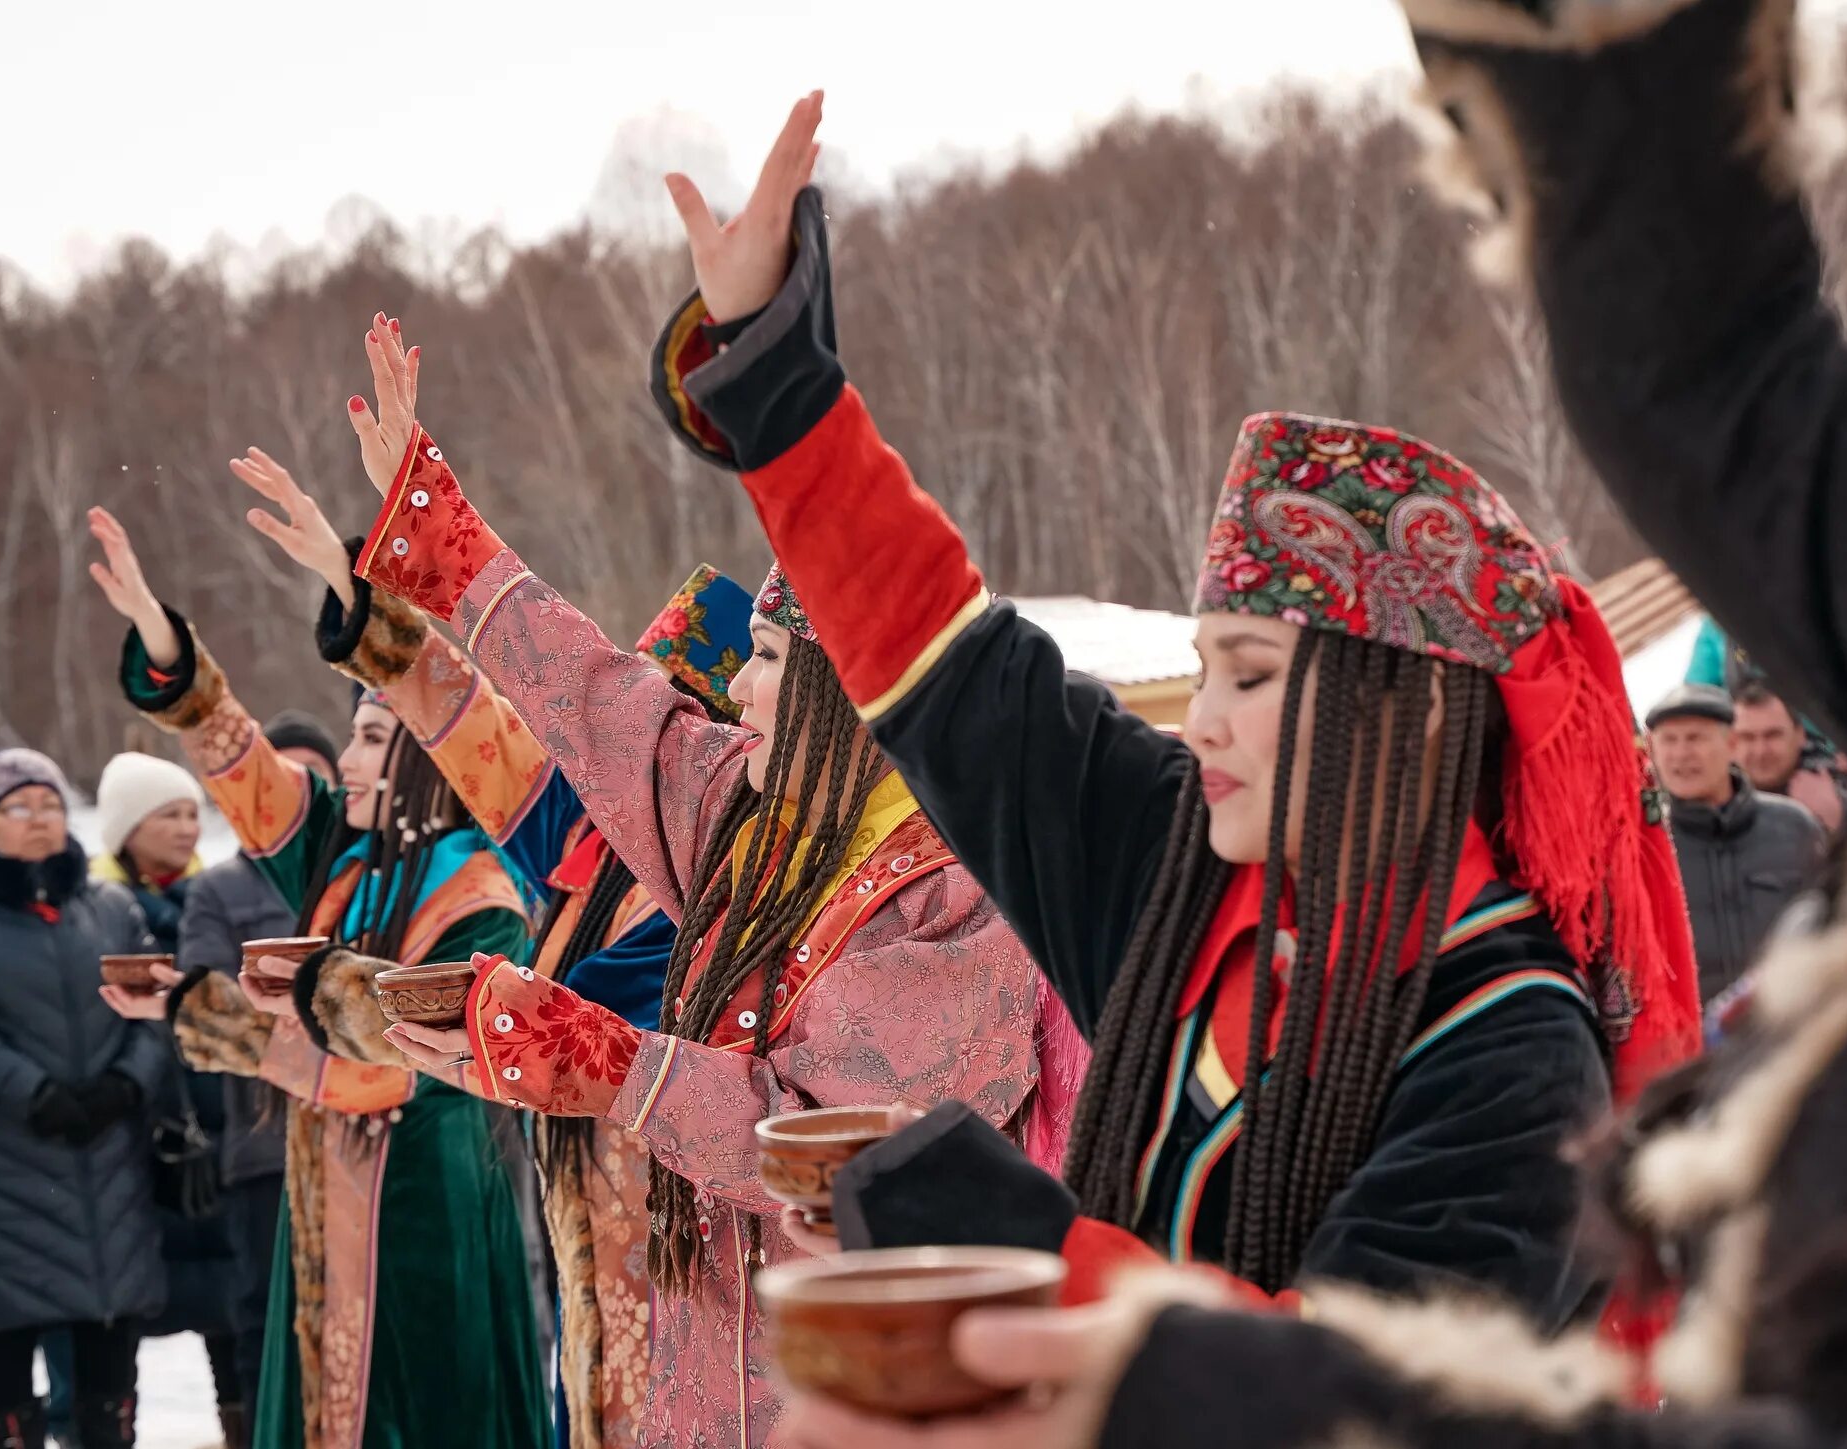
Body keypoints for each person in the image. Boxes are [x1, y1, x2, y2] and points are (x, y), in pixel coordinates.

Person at [779, 1, 1847, 1446]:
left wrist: (1051, 1290)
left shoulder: (1508, 1042)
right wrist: (783, 407)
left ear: (1392, 718)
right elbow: (1709, 371)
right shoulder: (1196, 889)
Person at [643, 93, 1696, 1331]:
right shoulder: (1181, 863)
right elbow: (955, 671)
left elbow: (1343, 1398)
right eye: (1202, 673)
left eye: (1248, 676)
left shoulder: (1513, 1049)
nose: (1201, 723)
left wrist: (1018, 1244)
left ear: (1399, 717)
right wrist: (780, 379)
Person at [331, 289, 1054, 1449]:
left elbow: (843, 1147)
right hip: (697, 1360)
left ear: (845, 692)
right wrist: (442, 533)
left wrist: (609, 1067)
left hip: (855, 1398)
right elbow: (598, 700)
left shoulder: (961, 893)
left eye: (766, 661)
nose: (739, 689)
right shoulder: (756, 824)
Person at [223, 434, 764, 1449]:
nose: (619, 748)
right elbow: (462, 712)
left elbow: (584, 1024)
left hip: (686, 1272)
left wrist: (350, 996)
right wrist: (358, 599)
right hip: (590, 1261)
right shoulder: (586, 839)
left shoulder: (723, 878)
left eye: (659, 721)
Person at [85, 508, 548, 1449]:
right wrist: (166, 640)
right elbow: (236, 759)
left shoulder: (480, 894)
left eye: (374, 742)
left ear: (422, 759)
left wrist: (207, 1010)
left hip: (426, 1210)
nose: (347, 760)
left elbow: (398, 1065)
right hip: (326, 1201)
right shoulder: (345, 856)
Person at [0, 750, 166, 1449]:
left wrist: (126, 1083)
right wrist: (34, 1092)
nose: (39, 819)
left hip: (106, 1153)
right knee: (10, 1326)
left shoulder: (109, 907)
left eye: (49, 803)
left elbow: (156, 1005)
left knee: (109, 1328)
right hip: (3, 1159)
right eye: (18, 807)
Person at [172, 714, 338, 1449]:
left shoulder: (362, 877)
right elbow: (208, 998)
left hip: (366, 1131)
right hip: (262, 1138)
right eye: (280, 778)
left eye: (312, 781)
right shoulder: (219, 888)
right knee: (266, 1317)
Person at [89, 752, 252, 1446]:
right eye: (169, 814)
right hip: (128, 1135)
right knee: (119, 1318)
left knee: (229, 1309)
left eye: (193, 811)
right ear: (127, 827)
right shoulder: (96, 909)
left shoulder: (210, 899)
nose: (189, 826)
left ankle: (238, 1427)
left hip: (214, 1125)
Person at [1644, 686, 1823, 1005]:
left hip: (1791, 1027)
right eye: (1669, 741)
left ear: (1731, 745)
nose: (1681, 754)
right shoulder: (1646, 848)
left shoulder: (1794, 827)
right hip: (1697, 1046)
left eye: (1695, 738)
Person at [1729, 683, 1847, 834]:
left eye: (1773, 735)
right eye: (1747, 738)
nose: (1761, 751)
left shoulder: (1842, 784)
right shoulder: (1710, 795)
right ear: (1729, 742)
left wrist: (1836, 820)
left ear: (1800, 735)